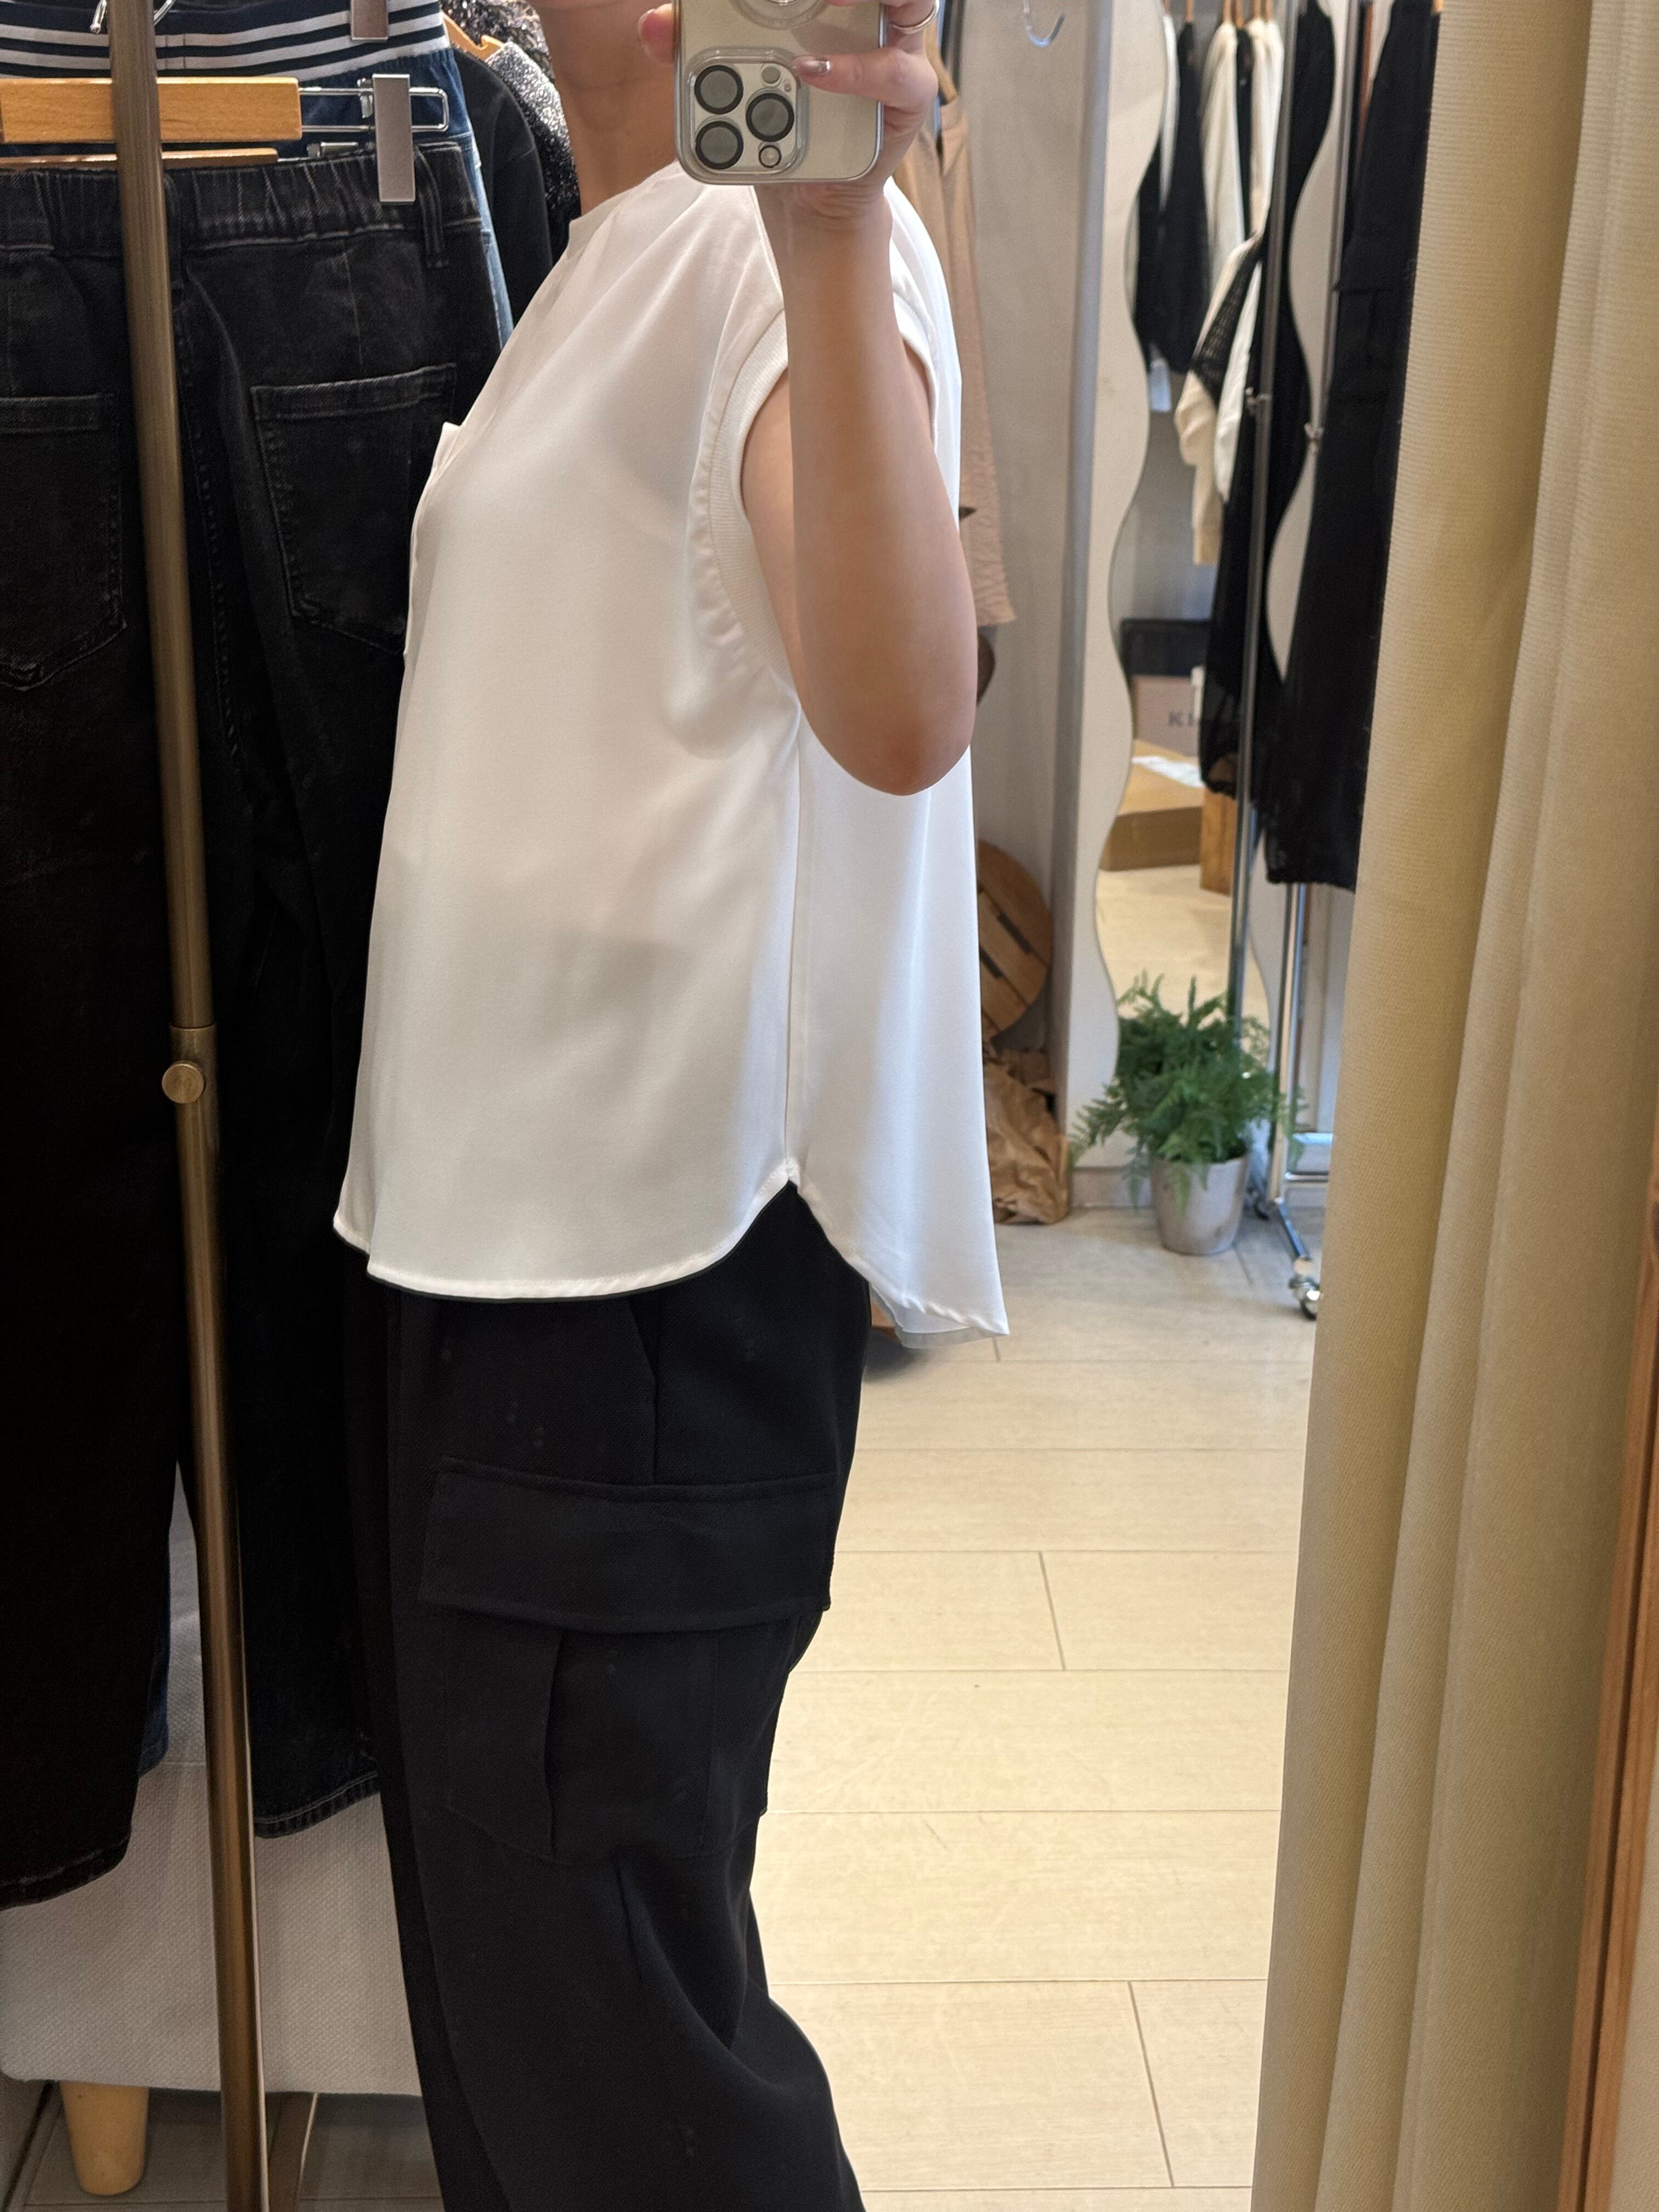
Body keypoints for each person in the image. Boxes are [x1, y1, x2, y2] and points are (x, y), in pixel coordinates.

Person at [336, 0, 1007, 2200]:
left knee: (626, 2078)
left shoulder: (756, 247)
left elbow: (901, 709)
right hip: (516, 1267)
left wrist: (832, 232)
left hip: (633, 1300)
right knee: (544, 2042)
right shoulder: (608, 237)